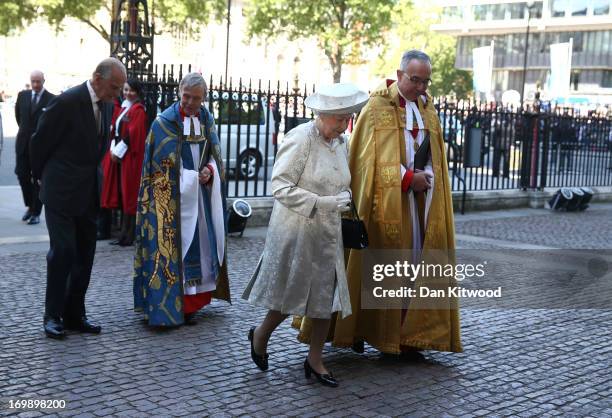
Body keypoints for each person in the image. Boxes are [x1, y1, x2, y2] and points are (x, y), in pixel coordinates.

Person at [295, 50, 462, 358]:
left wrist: (427, 177)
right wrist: (407, 178)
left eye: (426, 81)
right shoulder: (376, 106)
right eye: (415, 80)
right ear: (399, 75)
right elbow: (366, 161)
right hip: (384, 204)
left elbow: (437, 157)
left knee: (415, 268)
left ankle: (409, 338)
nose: (421, 88)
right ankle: (362, 329)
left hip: (421, 207)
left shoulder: (429, 109)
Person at [243, 83, 369, 388]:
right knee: (291, 293)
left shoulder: (341, 142)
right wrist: (324, 202)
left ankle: (315, 360)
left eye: (348, 118)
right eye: (339, 118)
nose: (344, 125)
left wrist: (344, 195)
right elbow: (280, 187)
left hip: (328, 231)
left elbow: (340, 178)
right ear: (322, 115)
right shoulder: (300, 138)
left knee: (326, 296)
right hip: (297, 229)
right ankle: (261, 334)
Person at [30, 57, 127, 339]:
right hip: (60, 191)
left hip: (88, 191)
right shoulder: (68, 101)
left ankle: (75, 314)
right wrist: (40, 177)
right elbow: (39, 141)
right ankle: (52, 315)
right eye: (114, 87)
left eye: (120, 88)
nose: (117, 94)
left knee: (85, 253)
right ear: (97, 78)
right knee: (63, 252)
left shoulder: (108, 104)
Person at [133, 72, 230, 327]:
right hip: (174, 202)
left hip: (201, 196)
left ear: (204, 99)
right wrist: (187, 178)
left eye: (195, 98)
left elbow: (213, 153)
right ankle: (174, 305)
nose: (189, 102)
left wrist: (209, 170)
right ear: (179, 92)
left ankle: (195, 302)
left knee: (204, 245)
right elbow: (157, 169)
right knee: (175, 249)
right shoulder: (163, 123)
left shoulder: (206, 118)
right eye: (186, 96)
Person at [100, 79, 148, 246]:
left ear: (138, 92)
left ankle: (129, 235)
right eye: (126, 90)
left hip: (131, 158)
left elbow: (133, 135)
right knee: (123, 194)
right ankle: (123, 234)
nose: (128, 93)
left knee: (129, 195)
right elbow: (117, 130)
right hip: (123, 156)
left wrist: (117, 151)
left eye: (131, 90)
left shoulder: (138, 110)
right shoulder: (126, 107)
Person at [14, 70, 55, 225]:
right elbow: (19, 117)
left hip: (41, 146)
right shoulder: (22, 96)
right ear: (30, 81)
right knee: (21, 174)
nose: (36, 85)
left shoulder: (51, 99)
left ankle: (36, 212)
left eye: (39, 81)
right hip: (23, 144)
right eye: (34, 82)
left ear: (44, 81)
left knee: (38, 179)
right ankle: (30, 206)